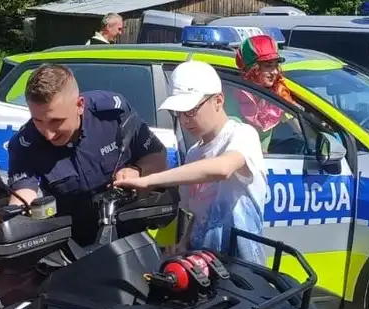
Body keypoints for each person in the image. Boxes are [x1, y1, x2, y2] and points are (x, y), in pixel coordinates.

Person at [114, 61, 270, 264]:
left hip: (243, 268)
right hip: (203, 266)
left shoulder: (242, 135)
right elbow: (199, 215)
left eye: (190, 110)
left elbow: (223, 168)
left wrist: (148, 180)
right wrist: (183, 245)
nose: (185, 120)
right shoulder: (194, 154)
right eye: (178, 113)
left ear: (218, 100)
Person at [7, 64, 169, 246]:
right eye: (38, 120)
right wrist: (11, 222)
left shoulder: (112, 113)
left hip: (132, 237)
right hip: (73, 248)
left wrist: (138, 171)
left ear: (80, 105)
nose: (48, 133)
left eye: (56, 121)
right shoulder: (26, 144)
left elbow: (158, 157)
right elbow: (22, 198)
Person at [232, 33, 301, 149]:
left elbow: (300, 129)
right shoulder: (233, 95)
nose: (274, 72)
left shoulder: (277, 93)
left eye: (275, 66)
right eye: (268, 66)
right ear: (253, 69)